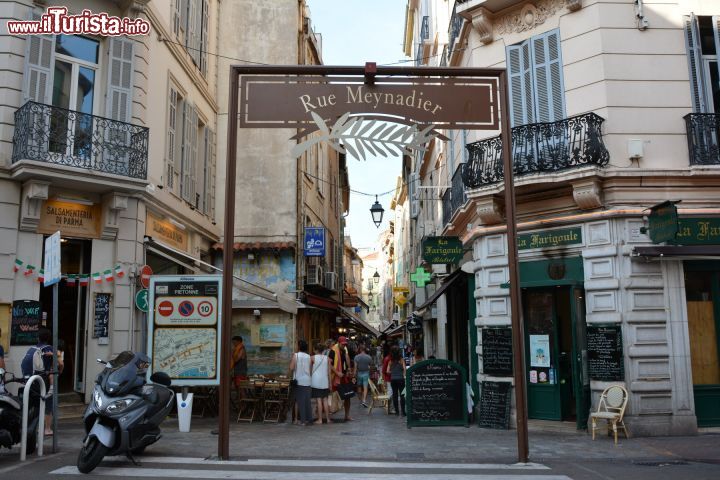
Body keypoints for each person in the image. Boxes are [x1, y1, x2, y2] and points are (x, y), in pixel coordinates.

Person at [20, 327, 54, 435]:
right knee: (48, 401)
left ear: (38, 338)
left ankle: (29, 426)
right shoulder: (49, 349)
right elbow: (52, 370)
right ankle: (47, 429)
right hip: (41, 381)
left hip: (29, 381)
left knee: (31, 403)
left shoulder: (31, 349)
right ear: (48, 338)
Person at [329, 335, 353, 422]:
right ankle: (328, 415)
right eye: (342, 344)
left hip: (344, 376)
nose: (344, 345)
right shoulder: (333, 351)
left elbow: (347, 359)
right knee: (332, 396)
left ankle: (347, 415)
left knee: (348, 396)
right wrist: (337, 372)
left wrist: (349, 369)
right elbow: (329, 364)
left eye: (345, 344)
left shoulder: (344, 350)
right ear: (338, 343)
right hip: (335, 377)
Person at [289, 340, 313, 426]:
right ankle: (308, 419)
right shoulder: (308, 356)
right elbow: (310, 370)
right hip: (307, 381)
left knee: (299, 401)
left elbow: (291, 368)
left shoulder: (295, 355)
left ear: (299, 346)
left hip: (299, 381)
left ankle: (301, 420)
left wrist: (292, 359)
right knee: (307, 401)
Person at [310, 342, 331, 424]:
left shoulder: (312, 358)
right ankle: (328, 419)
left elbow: (310, 370)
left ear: (315, 350)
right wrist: (330, 384)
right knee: (325, 400)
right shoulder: (327, 358)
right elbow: (329, 372)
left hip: (315, 381)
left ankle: (320, 419)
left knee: (318, 400)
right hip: (325, 381)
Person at [386, 345, 406, 417]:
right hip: (401, 379)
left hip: (393, 380)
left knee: (395, 395)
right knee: (402, 395)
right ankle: (403, 412)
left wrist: (393, 372)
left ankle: (397, 412)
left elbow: (387, 371)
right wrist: (401, 374)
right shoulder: (401, 360)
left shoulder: (390, 361)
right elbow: (404, 370)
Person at [231, 336, 247, 402]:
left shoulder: (241, 349)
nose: (233, 344)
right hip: (237, 371)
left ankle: (244, 403)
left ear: (238, 341)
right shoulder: (236, 349)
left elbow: (237, 359)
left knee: (241, 388)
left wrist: (231, 357)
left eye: (234, 342)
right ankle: (239, 402)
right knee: (237, 387)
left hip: (241, 372)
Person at [381, 343, 393, 412]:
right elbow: (383, 371)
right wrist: (384, 380)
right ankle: (389, 408)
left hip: (393, 378)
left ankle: (392, 408)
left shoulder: (391, 358)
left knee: (392, 393)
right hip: (389, 379)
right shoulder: (387, 359)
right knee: (390, 393)